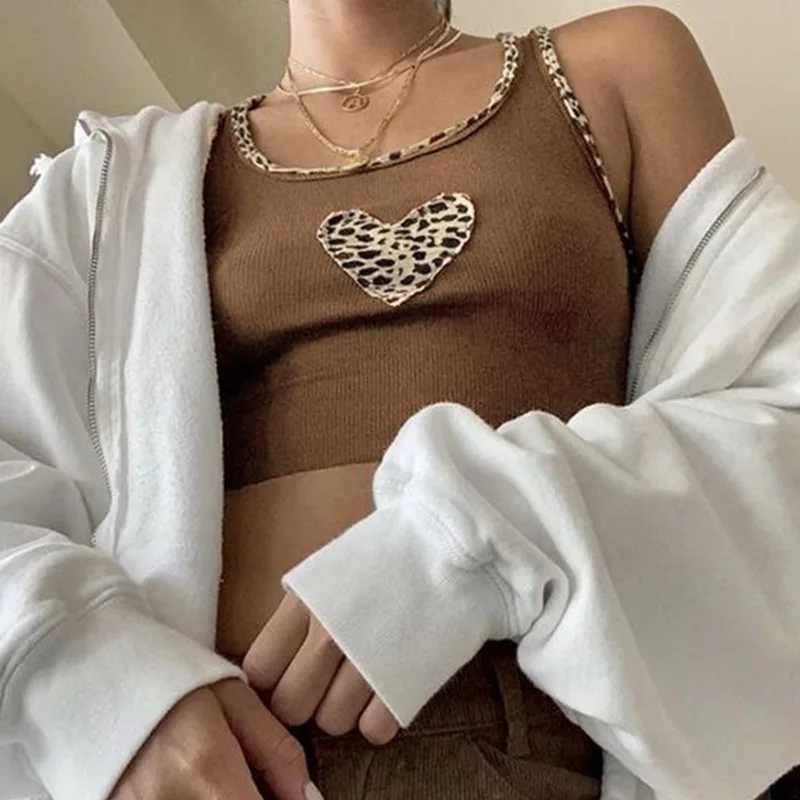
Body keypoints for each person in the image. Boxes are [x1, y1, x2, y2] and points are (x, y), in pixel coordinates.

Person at [1, 0, 799, 798]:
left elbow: (777, 407)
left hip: (519, 733)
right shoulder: (108, 182)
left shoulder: (614, 70)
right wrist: (102, 683)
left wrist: (467, 539)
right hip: (210, 760)